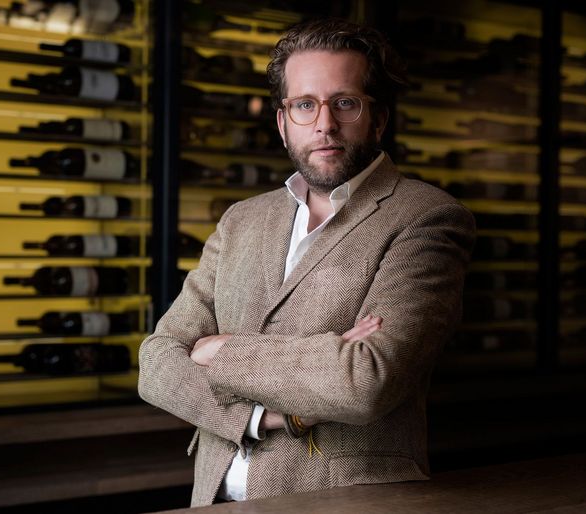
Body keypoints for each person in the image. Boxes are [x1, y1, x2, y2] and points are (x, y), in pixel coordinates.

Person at [138, 17, 476, 507]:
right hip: (213, 500)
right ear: (283, 123)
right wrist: (271, 417)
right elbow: (156, 362)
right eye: (304, 104)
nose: (325, 124)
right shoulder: (240, 220)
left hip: (343, 502)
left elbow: (365, 381)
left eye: (345, 102)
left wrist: (218, 350)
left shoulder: (426, 217)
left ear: (378, 118)